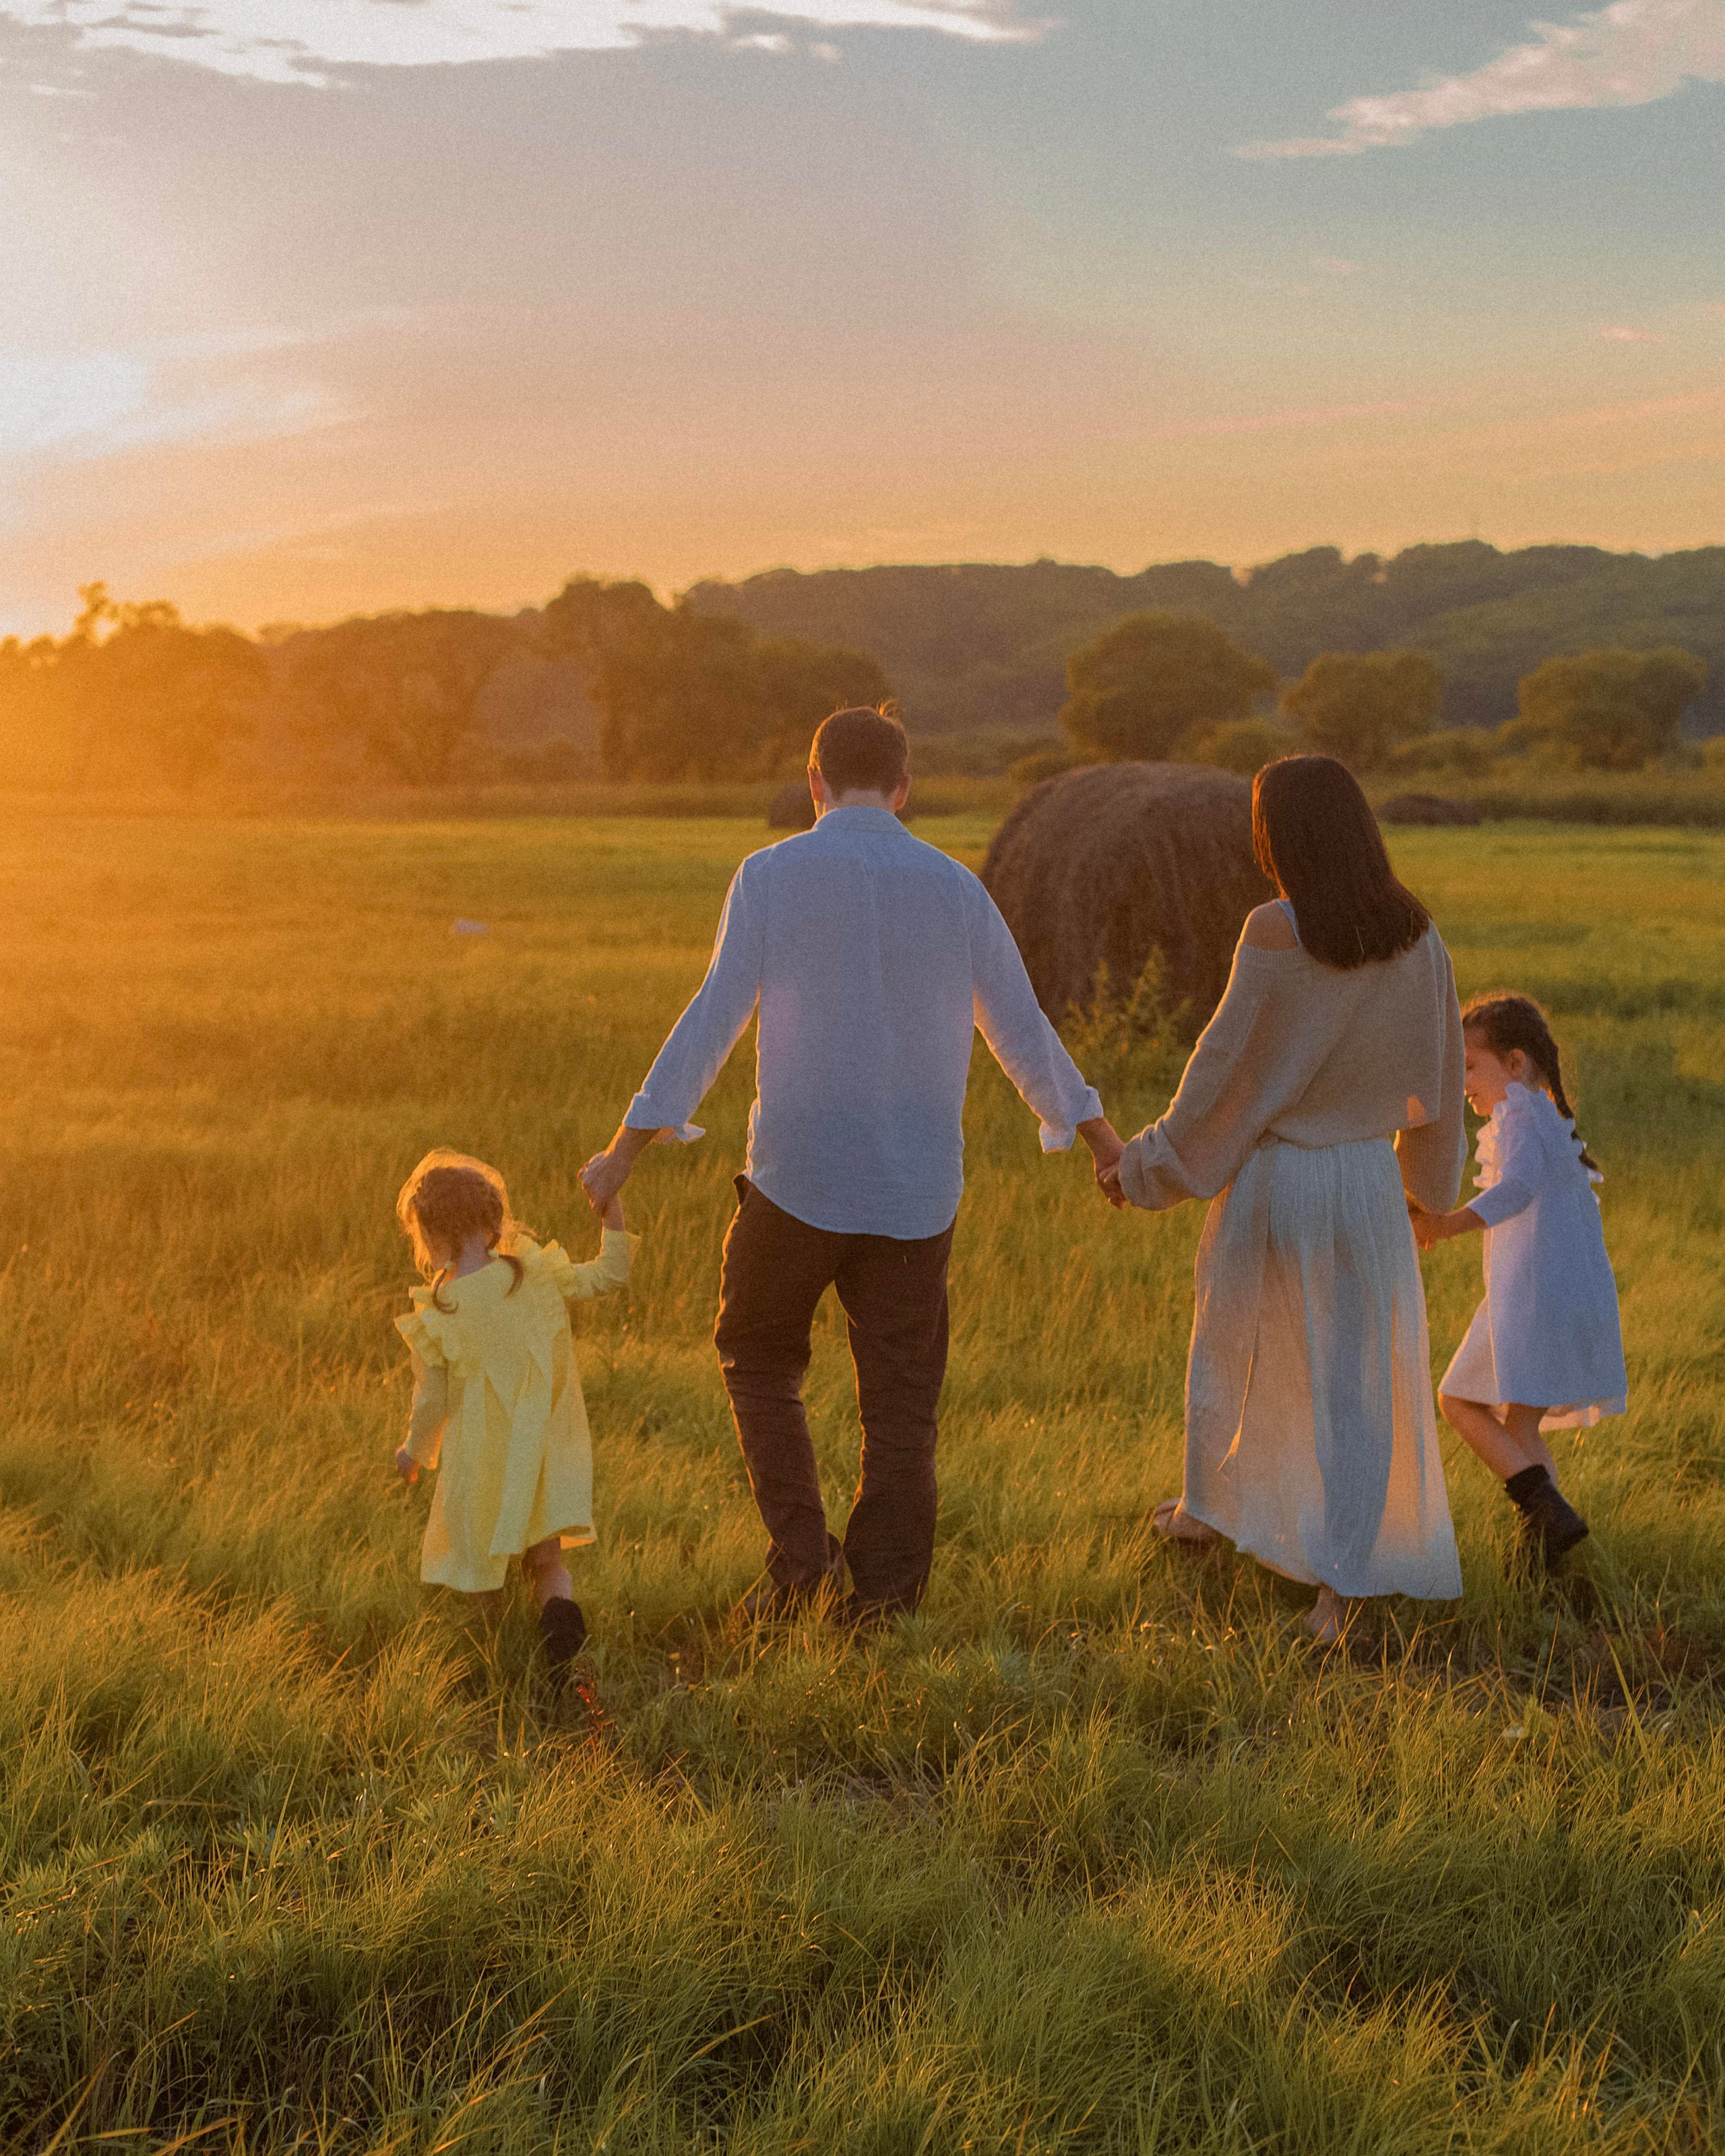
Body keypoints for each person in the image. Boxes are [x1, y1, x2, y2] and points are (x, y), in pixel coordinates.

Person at [578, 705, 1121, 1623]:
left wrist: (624, 1148)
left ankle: (802, 1571)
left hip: (796, 1178)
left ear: (814, 781)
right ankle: (885, 1602)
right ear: (903, 789)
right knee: (902, 1409)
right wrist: (1102, 1142)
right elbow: (1022, 1029)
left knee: (757, 1360)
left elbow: (714, 1016)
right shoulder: (956, 887)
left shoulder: (770, 874)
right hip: (917, 1191)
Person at [1100, 755, 1466, 1642]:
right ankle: (1341, 1590)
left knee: (1233, 1351)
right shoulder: (1417, 932)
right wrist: (1427, 1192)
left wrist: (1145, 1166)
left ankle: (1207, 1515)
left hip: (1282, 1179)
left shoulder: (1275, 928)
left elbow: (1222, 1071)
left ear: (1280, 835)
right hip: (1367, 1181)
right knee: (1356, 1389)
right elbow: (1441, 1076)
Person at [392, 1149, 636, 1675]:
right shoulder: (534, 1273)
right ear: (492, 1218)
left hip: (480, 1463)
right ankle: (560, 1628)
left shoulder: (439, 1309)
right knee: (547, 1564)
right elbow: (610, 1275)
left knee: (481, 1575)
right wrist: (611, 1207)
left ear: (431, 1234)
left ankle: (496, 1666)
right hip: (540, 1452)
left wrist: (414, 1452)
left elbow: (431, 1401)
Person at [1412, 994, 1625, 1567]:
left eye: (1471, 1068)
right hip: (1541, 1295)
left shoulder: (1521, 1115)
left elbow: (1520, 1187)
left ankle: (1545, 1528)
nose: (1463, 1084)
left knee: (1459, 1400)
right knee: (1515, 1423)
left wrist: (1446, 1224)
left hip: (1533, 1299)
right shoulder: (1540, 1118)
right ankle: (1548, 1540)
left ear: (1515, 1062)